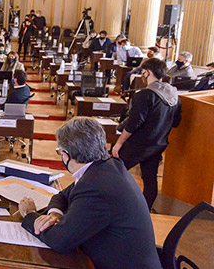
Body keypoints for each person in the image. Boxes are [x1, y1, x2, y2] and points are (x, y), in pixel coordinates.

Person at [18, 117, 160, 269]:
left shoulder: (96, 187)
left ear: (65, 156)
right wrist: (54, 214)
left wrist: (30, 214)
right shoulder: (107, 167)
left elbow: (60, 241)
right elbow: (62, 196)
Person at [113, 58, 181, 209]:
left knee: (113, 172)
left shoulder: (145, 95)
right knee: (150, 179)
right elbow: (176, 122)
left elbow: (134, 124)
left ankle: (112, 206)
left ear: (147, 72)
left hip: (138, 144)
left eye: (143, 71)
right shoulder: (175, 96)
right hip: (158, 144)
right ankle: (144, 209)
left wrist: (118, 143)